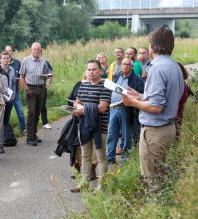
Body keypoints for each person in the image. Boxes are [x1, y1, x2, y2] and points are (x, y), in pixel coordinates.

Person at [122, 26, 184, 184]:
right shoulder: (174, 66)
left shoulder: (157, 68)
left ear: (153, 45)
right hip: (167, 128)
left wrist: (132, 102)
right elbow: (164, 98)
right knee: (159, 175)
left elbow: (156, 107)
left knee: (151, 181)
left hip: (155, 132)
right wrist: (140, 96)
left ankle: (153, 207)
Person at [70, 59, 111, 193]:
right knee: (86, 156)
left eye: (94, 69)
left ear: (100, 71)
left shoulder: (105, 85)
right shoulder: (83, 85)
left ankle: (102, 185)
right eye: (89, 69)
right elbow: (76, 102)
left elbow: (102, 108)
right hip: (84, 126)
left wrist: (82, 110)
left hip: (100, 127)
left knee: (101, 157)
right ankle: (84, 182)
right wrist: (78, 107)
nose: (91, 72)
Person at [106, 58, 144, 165]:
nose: (125, 66)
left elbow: (141, 96)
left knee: (127, 136)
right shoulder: (117, 76)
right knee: (111, 134)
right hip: (113, 109)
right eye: (123, 64)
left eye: (128, 64)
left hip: (127, 110)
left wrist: (131, 100)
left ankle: (125, 157)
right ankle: (110, 157)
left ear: (132, 66)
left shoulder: (137, 80)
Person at [20, 42, 52, 146]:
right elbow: (21, 76)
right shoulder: (26, 60)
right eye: (34, 49)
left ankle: (34, 134)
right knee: (31, 112)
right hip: (31, 88)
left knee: (37, 112)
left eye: (38, 49)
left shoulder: (43, 61)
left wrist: (46, 78)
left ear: (40, 51)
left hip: (41, 88)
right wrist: (26, 88)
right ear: (31, 50)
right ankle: (29, 138)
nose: (36, 51)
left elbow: (47, 74)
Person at [0, 51, 18, 153]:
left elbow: (14, 83)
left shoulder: (12, 70)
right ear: (1, 59)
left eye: (7, 58)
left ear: (10, 59)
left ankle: (4, 141)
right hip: (0, 99)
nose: (5, 60)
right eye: (4, 58)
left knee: (5, 121)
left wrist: (13, 95)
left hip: (9, 99)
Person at [5, 45, 26, 133]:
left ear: (12, 52)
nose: (8, 52)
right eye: (7, 51)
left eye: (10, 51)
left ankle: (23, 129)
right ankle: (6, 131)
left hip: (16, 91)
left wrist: (20, 85)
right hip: (5, 93)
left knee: (20, 111)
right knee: (6, 113)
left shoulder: (17, 62)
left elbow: (21, 75)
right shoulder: (2, 63)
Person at [41, 59, 54, 129]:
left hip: (43, 86)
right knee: (33, 107)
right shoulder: (28, 61)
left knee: (43, 105)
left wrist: (49, 83)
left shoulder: (45, 62)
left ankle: (45, 123)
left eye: (38, 50)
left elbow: (51, 72)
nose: (37, 52)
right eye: (35, 49)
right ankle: (33, 124)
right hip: (32, 87)